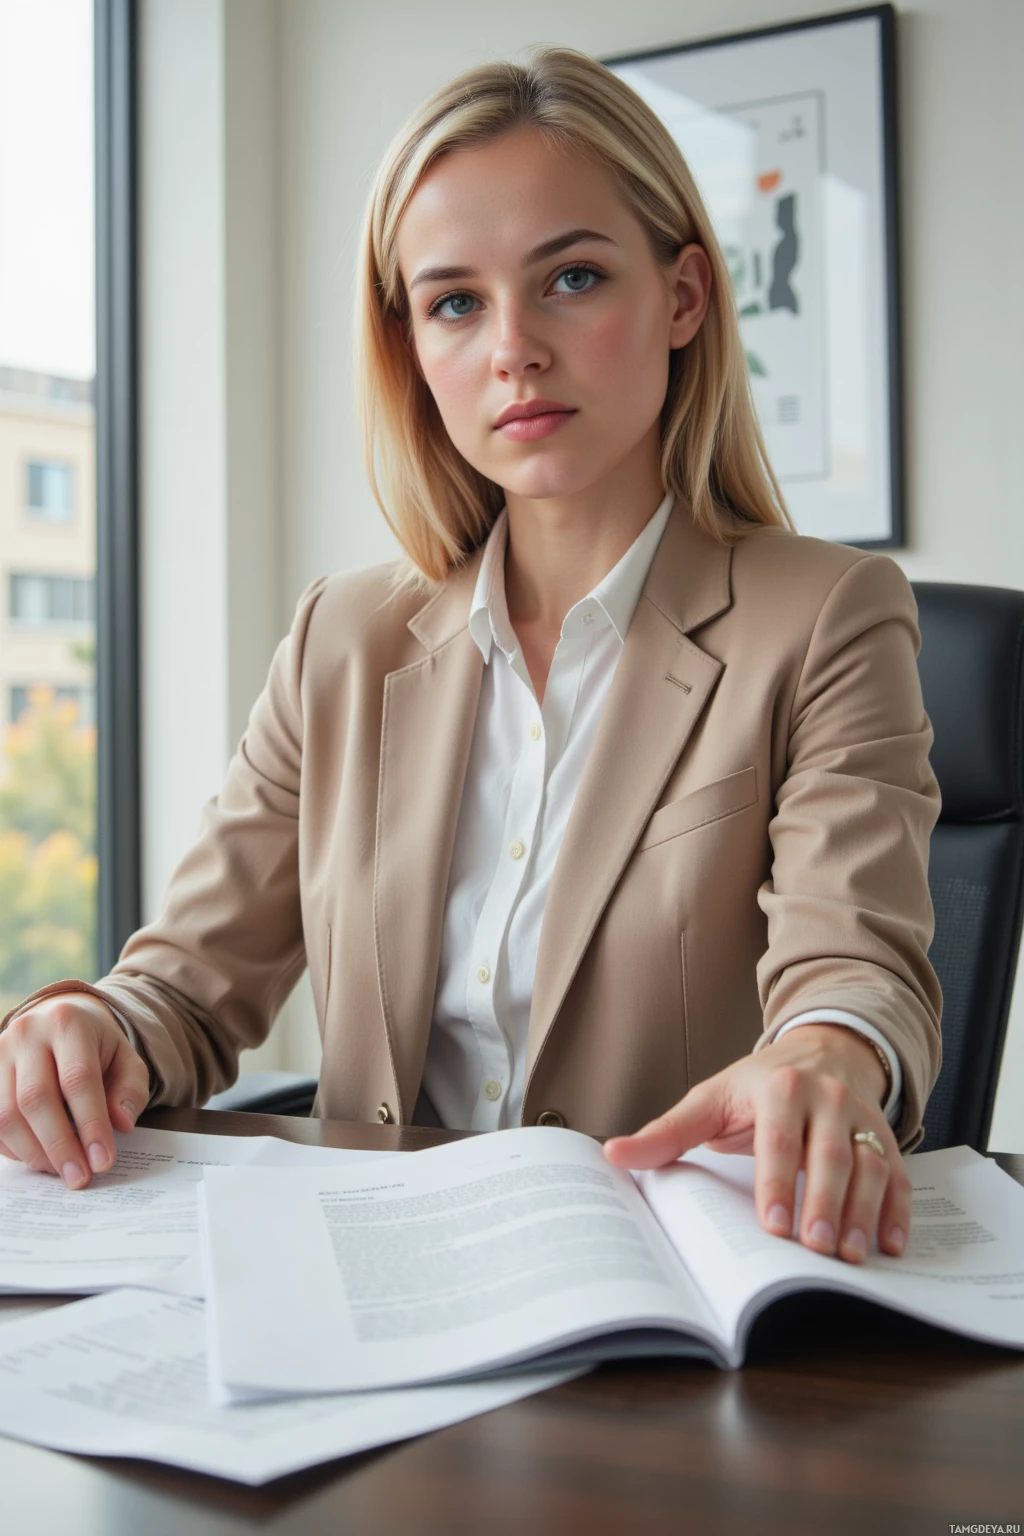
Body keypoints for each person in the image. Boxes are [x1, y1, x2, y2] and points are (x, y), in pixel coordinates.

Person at [0, 48, 940, 1267]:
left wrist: (823, 1054)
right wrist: (84, 1029)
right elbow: (181, 991)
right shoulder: (343, 637)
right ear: (412, 348)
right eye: (455, 302)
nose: (513, 350)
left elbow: (854, 969)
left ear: (685, 298)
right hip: (378, 1291)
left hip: (657, 1309)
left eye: (573, 278)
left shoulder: (826, 615)